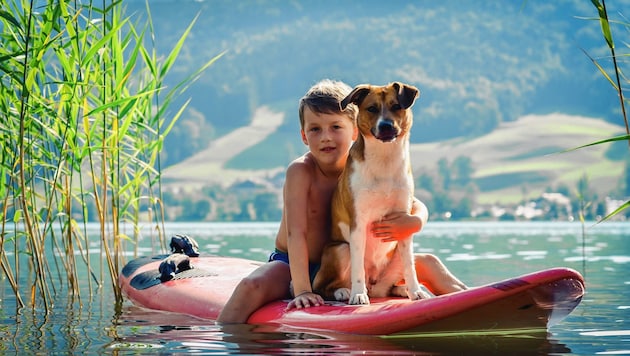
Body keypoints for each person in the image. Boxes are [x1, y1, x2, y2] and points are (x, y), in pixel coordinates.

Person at [216, 79, 466, 324]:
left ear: (356, 129)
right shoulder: (301, 171)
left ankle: (475, 303)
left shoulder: (364, 164)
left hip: (356, 264)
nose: (326, 137)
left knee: (429, 262)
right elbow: (296, 233)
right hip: (296, 265)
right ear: (304, 136)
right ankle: (222, 335)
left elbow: (411, 201)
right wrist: (302, 289)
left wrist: (415, 221)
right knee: (252, 285)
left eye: (336, 127)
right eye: (315, 129)